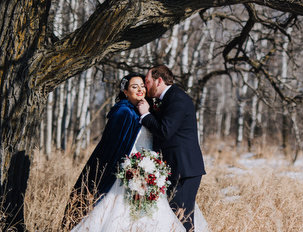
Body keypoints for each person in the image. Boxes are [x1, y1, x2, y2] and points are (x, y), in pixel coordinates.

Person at [63, 73, 209, 232]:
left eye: (142, 85)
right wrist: (133, 168)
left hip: (150, 174)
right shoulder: (123, 112)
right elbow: (114, 148)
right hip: (128, 173)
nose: (140, 89)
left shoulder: (148, 108)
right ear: (125, 91)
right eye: (134, 86)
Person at [137, 65, 206, 232]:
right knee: (175, 218)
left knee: (182, 219)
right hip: (175, 168)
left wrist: (145, 115)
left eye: (147, 81)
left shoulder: (178, 98)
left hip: (184, 169)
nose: (145, 86)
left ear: (159, 81)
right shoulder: (166, 99)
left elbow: (164, 131)